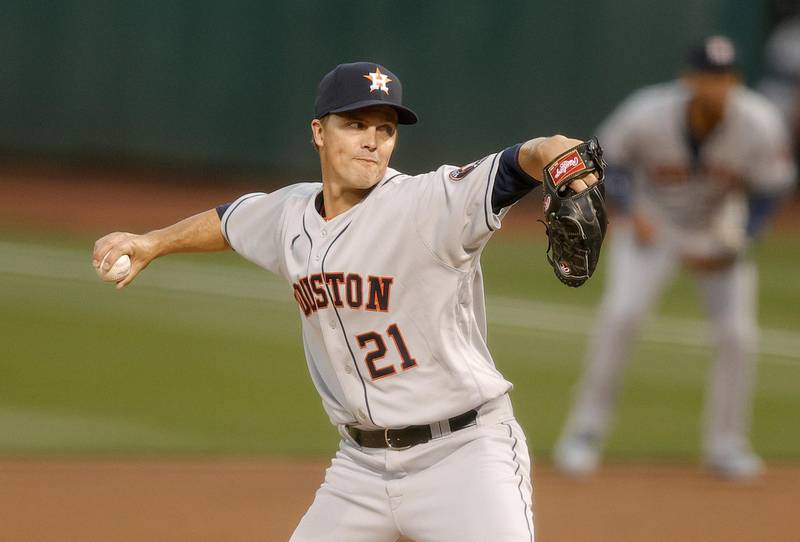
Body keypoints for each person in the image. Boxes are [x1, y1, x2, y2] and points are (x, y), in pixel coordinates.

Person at [93, 61, 602, 541]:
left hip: (464, 456)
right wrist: (152, 242)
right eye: (356, 125)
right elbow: (229, 220)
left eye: (385, 129)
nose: (372, 142)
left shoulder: (426, 204)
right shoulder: (290, 212)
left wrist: (559, 153)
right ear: (319, 132)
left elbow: (520, 162)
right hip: (359, 468)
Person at [553, 35, 796, 480]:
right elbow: (604, 158)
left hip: (718, 228)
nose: (715, 86)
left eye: (724, 78)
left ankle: (727, 445)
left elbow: (772, 188)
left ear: (735, 81)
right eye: (707, 76)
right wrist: (630, 209)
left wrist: (744, 237)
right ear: (688, 79)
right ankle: (584, 433)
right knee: (621, 317)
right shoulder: (648, 112)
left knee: (737, 336)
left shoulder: (759, 122)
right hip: (654, 224)